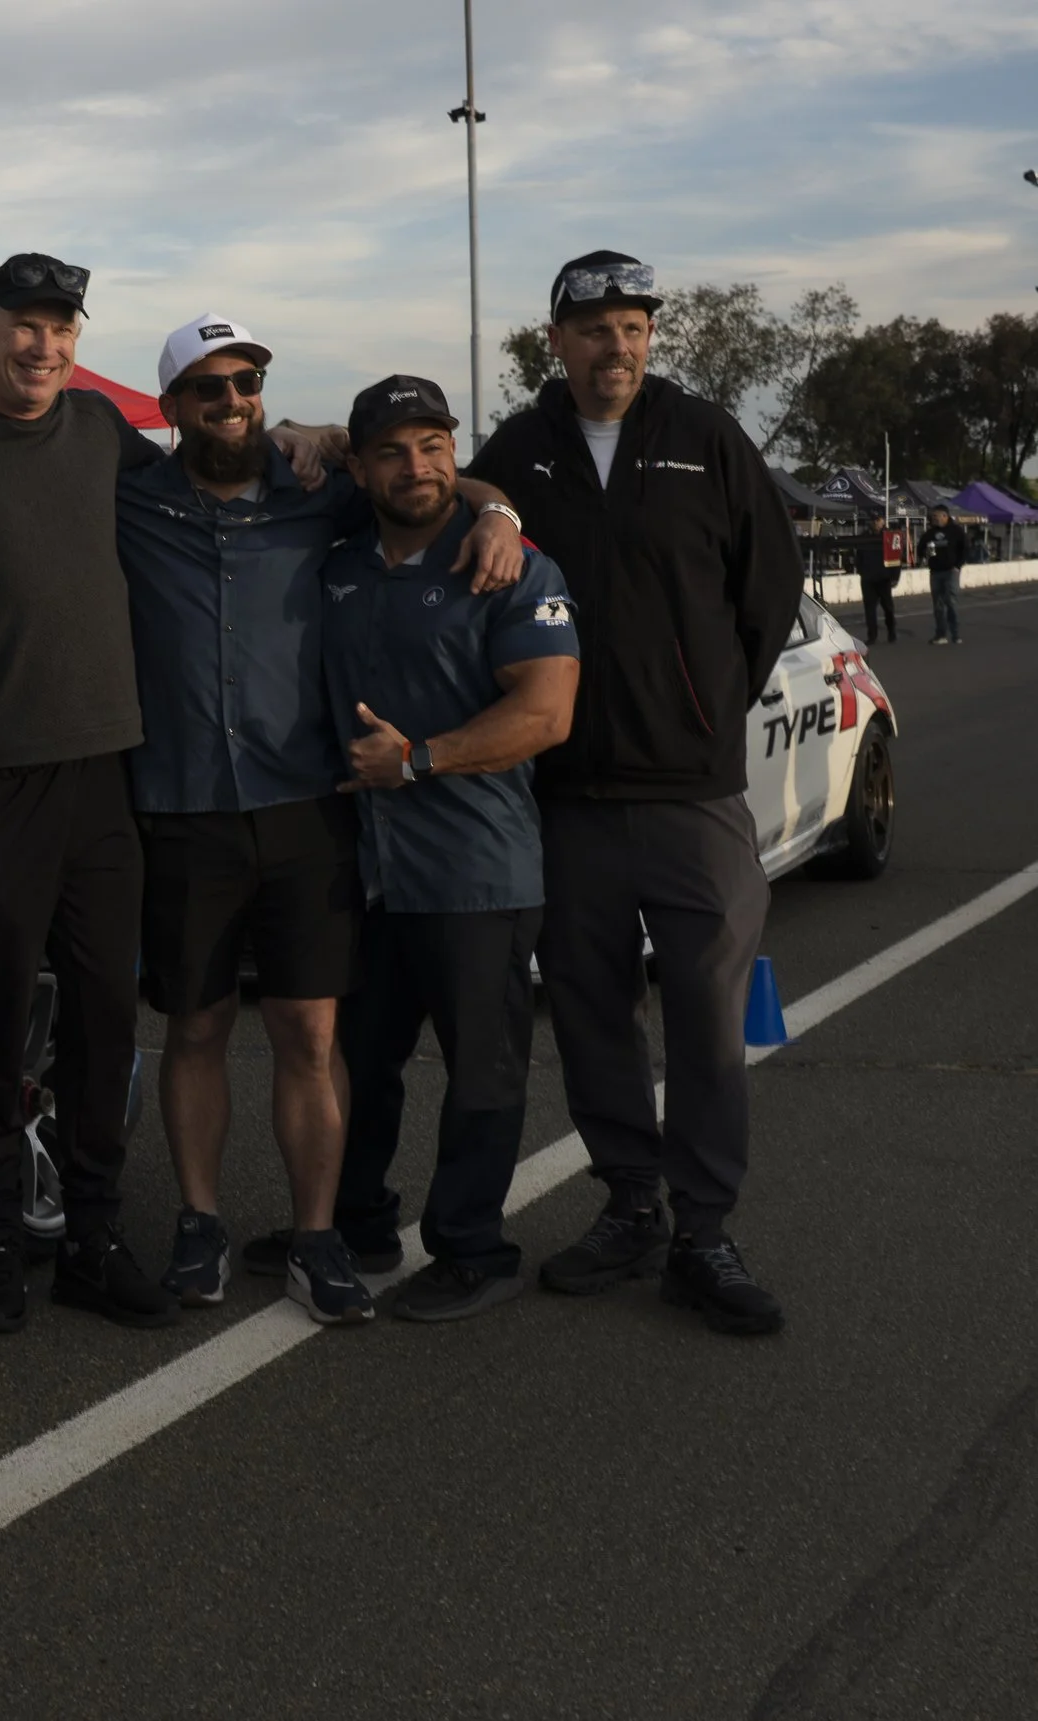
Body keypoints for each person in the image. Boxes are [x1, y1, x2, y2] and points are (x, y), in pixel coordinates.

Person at [116, 315, 525, 1326]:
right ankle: (201, 1221)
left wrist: (500, 510)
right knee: (197, 1027)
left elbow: (416, 477)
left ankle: (316, 1235)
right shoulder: (126, 494)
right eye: (206, 390)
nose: (231, 403)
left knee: (308, 1032)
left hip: (306, 809)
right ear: (170, 408)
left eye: (246, 382)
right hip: (181, 808)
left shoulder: (321, 491)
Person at [468, 251, 800, 1337]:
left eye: (635, 327)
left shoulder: (704, 438)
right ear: (554, 339)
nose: (619, 347)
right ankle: (631, 1206)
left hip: (690, 796)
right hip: (564, 798)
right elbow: (465, 511)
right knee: (594, 1015)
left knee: (706, 1022)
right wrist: (492, 508)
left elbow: (769, 580)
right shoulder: (520, 450)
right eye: (597, 328)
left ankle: (704, 1231)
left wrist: (706, 701)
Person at [0, 255, 176, 1335]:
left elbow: (214, 484)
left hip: (103, 771)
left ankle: (96, 1236)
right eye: (25, 327)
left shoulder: (102, 432)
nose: (44, 348)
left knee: (104, 1021)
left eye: (61, 330)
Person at [321, 376, 580, 1322]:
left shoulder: (511, 566)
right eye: (392, 450)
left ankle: (475, 1246)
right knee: (360, 1058)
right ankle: (356, 1221)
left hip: (477, 869)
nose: (417, 466)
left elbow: (546, 713)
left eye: (434, 446)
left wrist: (419, 760)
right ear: (360, 466)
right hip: (369, 872)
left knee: (482, 1074)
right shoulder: (339, 560)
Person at [922, 503, 968, 644]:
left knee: (951, 602)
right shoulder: (930, 533)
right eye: (933, 516)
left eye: (936, 516)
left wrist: (957, 566)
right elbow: (921, 547)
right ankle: (941, 635)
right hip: (935, 572)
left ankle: (955, 634)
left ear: (945, 516)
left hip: (950, 572)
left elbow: (965, 549)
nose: (934, 518)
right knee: (938, 605)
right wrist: (925, 557)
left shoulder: (956, 531)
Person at [853, 510, 899, 645]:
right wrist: (861, 571)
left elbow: (896, 558)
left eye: (878, 520)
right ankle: (872, 636)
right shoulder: (864, 536)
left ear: (883, 521)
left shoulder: (890, 536)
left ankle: (892, 631)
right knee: (869, 609)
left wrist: (895, 576)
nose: (875, 523)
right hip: (868, 578)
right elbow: (858, 556)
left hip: (884, 578)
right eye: (873, 520)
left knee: (888, 608)